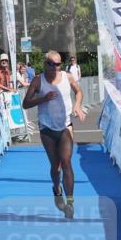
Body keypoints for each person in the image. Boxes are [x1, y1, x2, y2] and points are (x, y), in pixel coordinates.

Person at [22, 50, 85, 219]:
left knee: (66, 162)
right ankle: (57, 189)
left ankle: (70, 203)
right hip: (47, 129)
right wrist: (43, 98)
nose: (55, 67)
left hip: (65, 126)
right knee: (56, 166)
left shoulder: (66, 77)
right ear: (45, 64)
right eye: (51, 64)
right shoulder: (38, 80)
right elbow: (25, 104)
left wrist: (77, 106)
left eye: (58, 64)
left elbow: (79, 92)